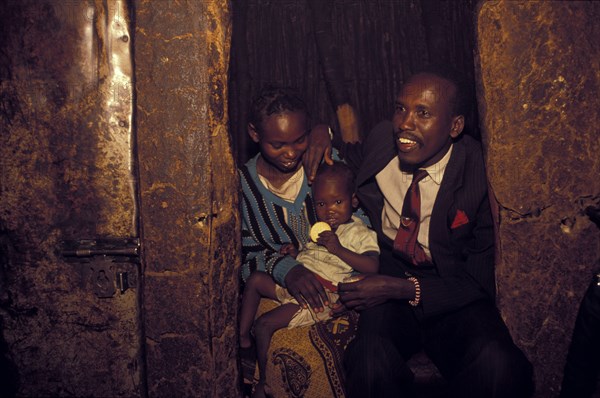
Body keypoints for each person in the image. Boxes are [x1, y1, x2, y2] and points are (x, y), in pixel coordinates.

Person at [302, 65, 535, 397]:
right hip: (389, 283)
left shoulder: (478, 172)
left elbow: (477, 280)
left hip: (451, 290)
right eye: (401, 108)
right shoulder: (384, 142)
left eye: (422, 113)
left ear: (455, 126)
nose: (404, 124)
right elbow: (345, 153)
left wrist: (402, 288)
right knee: (368, 362)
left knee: (499, 365)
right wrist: (320, 130)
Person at [239, 161, 379, 397]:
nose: (330, 210)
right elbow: (311, 254)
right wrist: (294, 253)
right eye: (322, 204)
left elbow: (372, 266)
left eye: (338, 202)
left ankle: (263, 382)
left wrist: (339, 250)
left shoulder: (359, 233)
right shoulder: (319, 228)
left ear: (353, 201)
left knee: (264, 325)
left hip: (320, 294)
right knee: (254, 280)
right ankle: (242, 340)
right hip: (299, 284)